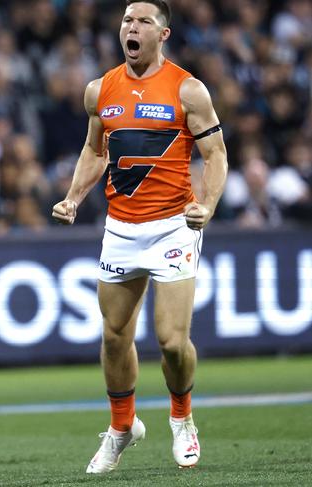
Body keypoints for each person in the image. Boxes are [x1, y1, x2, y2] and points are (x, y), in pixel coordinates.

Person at [52, 0, 227, 474]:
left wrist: (205, 206)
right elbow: (95, 149)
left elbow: (215, 155)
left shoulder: (188, 90)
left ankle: (182, 417)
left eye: (143, 21)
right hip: (120, 229)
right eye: (127, 20)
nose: (131, 27)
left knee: (171, 341)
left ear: (162, 35)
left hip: (172, 225)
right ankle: (122, 427)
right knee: (114, 336)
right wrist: (73, 197)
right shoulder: (100, 89)